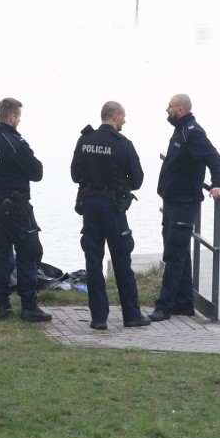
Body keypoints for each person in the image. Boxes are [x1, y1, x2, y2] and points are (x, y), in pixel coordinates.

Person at [70, 101, 152, 330]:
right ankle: (131, 315)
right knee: (122, 261)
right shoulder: (123, 144)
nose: (125, 121)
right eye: (124, 117)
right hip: (113, 209)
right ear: (115, 116)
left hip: (89, 207)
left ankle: (99, 318)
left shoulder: (84, 140)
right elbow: (137, 181)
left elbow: (75, 175)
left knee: (93, 262)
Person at [148, 94, 220, 322]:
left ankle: (163, 307)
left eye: (170, 106)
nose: (167, 109)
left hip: (184, 203)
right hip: (172, 201)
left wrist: (218, 184)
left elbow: (214, 158)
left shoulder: (193, 132)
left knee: (173, 254)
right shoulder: (180, 129)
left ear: (180, 109)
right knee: (180, 253)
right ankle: (184, 303)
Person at [0, 98, 52, 323]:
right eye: (18, 117)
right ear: (12, 117)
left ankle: (2, 305)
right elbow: (36, 172)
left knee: (1, 254)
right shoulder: (14, 142)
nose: (19, 121)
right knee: (30, 252)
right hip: (16, 207)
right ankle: (29, 305)